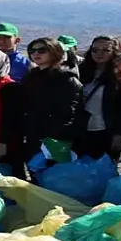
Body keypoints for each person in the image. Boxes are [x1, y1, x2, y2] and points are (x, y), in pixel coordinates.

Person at [18, 38, 83, 175]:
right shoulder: (32, 77)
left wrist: (52, 139)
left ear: (55, 52)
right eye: (32, 51)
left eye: (42, 50)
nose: (36, 54)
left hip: (55, 141)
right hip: (33, 137)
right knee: (35, 178)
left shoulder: (66, 78)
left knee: (54, 179)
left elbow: (69, 113)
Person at [75, 36, 121, 161]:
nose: (99, 54)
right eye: (95, 50)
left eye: (105, 50)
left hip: (107, 132)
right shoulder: (80, 73)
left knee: (105, 172)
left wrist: (120, 133)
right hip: (81, 131)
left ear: (115, 52)